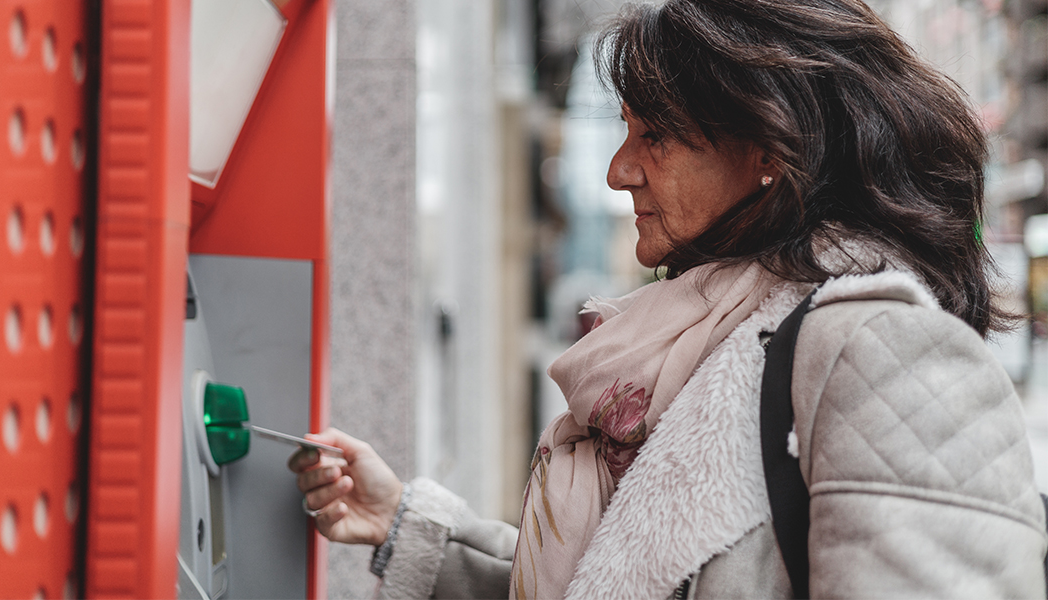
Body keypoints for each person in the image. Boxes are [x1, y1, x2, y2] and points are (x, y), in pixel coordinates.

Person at [290, 0, 1048, 597]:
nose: (617, 172)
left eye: (655, 136)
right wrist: (409, 527)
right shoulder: (713, 340)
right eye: (625, 131)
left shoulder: (880, 352)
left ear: (768, 151)